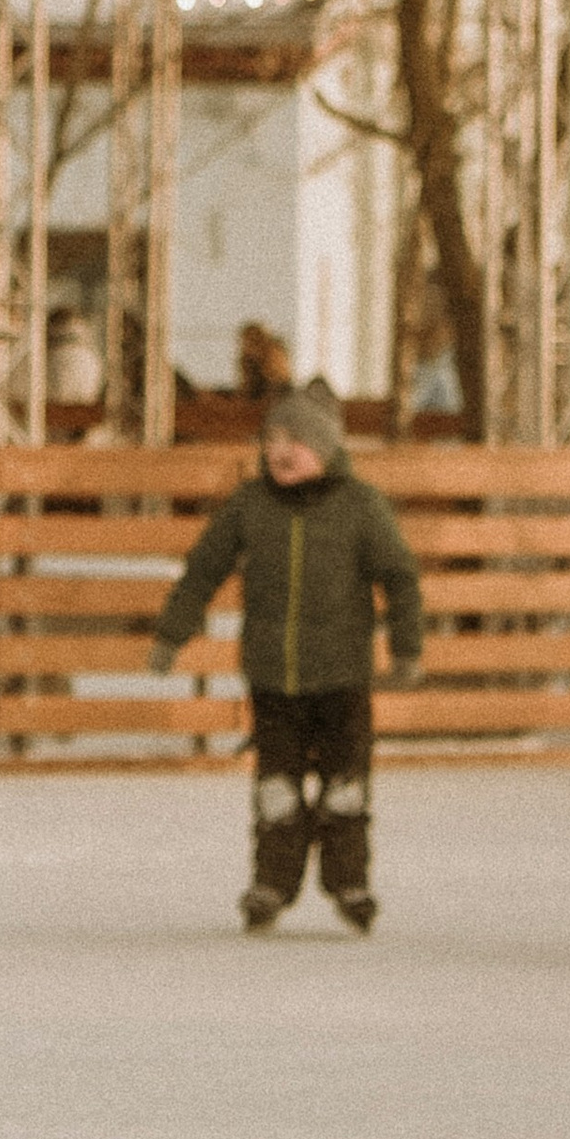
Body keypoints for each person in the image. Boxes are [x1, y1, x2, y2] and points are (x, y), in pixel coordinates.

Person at [147, 377, 424, 934]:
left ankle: (350, 882)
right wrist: (172, 634)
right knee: (276, 789)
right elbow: (204, 569)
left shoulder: (360, 507)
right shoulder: (250, 507)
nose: (281, 451)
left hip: (343, 677)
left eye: (296, 440)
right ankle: (272, 884)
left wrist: (406, 648)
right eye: (273, 438)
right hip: (273, 678)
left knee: (346, 788)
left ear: (324, 448)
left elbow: (399, 577)